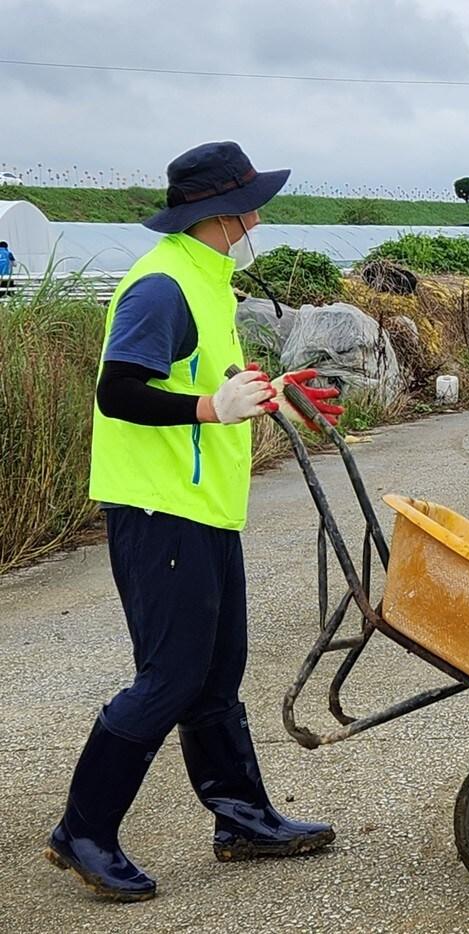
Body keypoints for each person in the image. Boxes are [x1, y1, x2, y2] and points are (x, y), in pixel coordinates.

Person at [45, 141, 344, 903]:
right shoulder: (163, 287)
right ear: (217, 213)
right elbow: (120, 391)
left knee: (217, 673)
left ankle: (240, 817)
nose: (257, 219)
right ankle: (83, 829)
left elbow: (201, 381)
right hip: (158, 509)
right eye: (250, 207)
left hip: (202, 508)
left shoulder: (208, 284)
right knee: (171, 676)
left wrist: (268, 389)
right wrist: (213, 408)